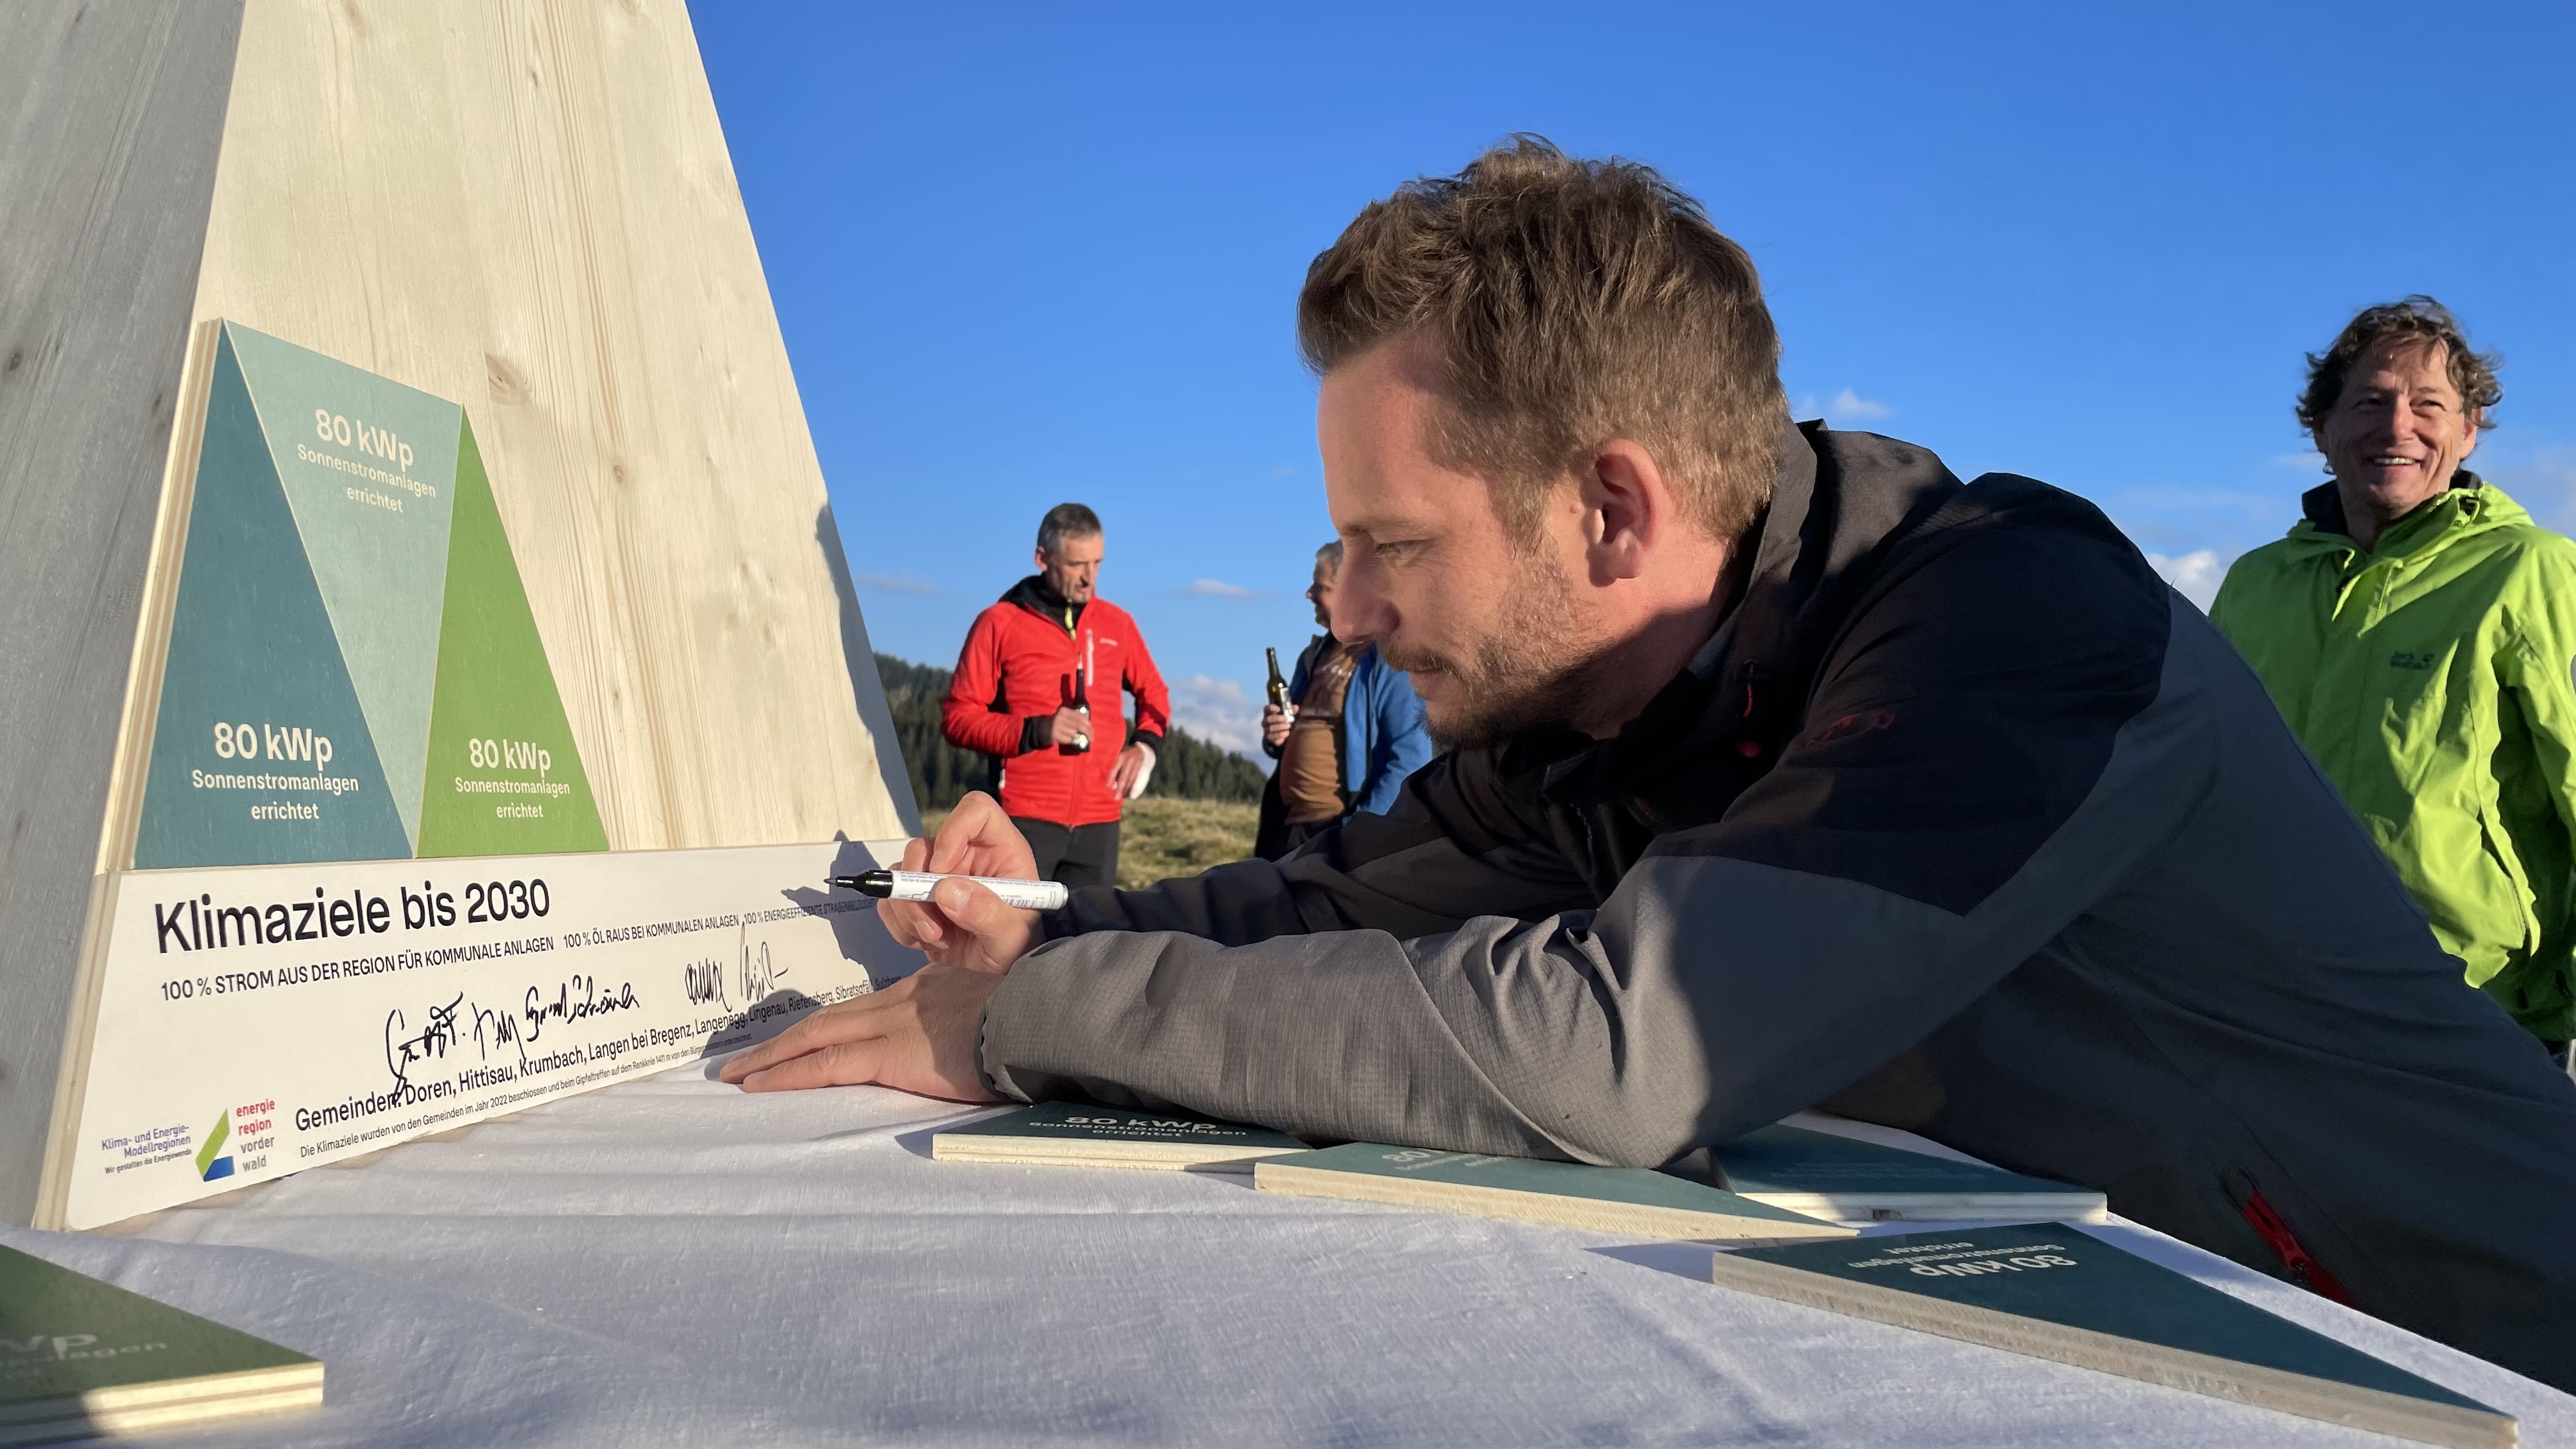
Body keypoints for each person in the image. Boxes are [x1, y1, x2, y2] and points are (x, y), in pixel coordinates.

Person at [728, 141, 2576, 1388]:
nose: (1348, 609)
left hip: (2470, 1350)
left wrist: (1032, 1022)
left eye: (1394, 544)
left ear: (1612, 509)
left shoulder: (2018, 626)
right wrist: (1044, 929)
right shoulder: (1613, 707)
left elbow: (1619, 1046)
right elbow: (1323, 896)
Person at [2211, 298, 2576, 1064]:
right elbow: (2202, 774)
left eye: (2428, 405)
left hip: (2475, 1006)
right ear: (2322, 429)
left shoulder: (2532, 572)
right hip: (2275, 990)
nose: (2398, 427)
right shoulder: (2256, 584)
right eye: (2371, 402)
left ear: (2469, 430)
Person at [937, 503, 1170, 887]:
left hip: (1101, 822)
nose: (1089, 578)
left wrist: (1144, 749)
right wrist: (1037, 730)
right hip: (1023, 818)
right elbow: (958, 719)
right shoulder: (999, 623)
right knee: (1018, 928)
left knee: (1091, 929)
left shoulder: (1118, 624)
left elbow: (1155, 694)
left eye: (1097, 563)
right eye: (1077, 564)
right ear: (1042, 558)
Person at [1254, 540, 1433, 858]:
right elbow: (1292, 735)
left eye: (1320, 587)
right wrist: (1277, 738)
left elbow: (1409, 759)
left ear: (1352, 586)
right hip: (1288, 828)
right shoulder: (1314, 656)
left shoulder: (1387, 660)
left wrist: (1355, 836)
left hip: (1335, 832)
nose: (1309, 594)